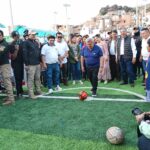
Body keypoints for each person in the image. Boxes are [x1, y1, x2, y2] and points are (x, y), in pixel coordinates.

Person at [23, 30, 42, 99]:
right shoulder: (25, 42)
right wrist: (27, 64)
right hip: (30, 64)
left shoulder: (36, 42)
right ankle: (31, 94)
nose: (34, 35)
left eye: (35, 34)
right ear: (29, 34)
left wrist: (40, 61)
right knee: (30, 79)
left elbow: (38, 53)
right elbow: (24, 54)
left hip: (37, 63)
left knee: (37, 78)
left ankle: (38, 90)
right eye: (32, 34)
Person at [0, 30, 15, 105]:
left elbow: (1, 54)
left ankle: (11, 99)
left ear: (2, 36)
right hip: (2, 65)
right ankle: (9, 97)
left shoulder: (4, 44)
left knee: (7, 82)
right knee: (5, 82)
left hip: (4, 65)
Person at [9, 31, 24, 98]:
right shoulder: (11, 44)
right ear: (13, 36)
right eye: (16, 36)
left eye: (18, 35)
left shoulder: (20, 41)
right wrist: (16, 50)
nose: (18, 36)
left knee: (21, 77)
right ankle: (18, 92)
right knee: (17, 78)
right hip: (15, 63)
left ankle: (21, 89)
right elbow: (13, 57)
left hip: (21, 62)